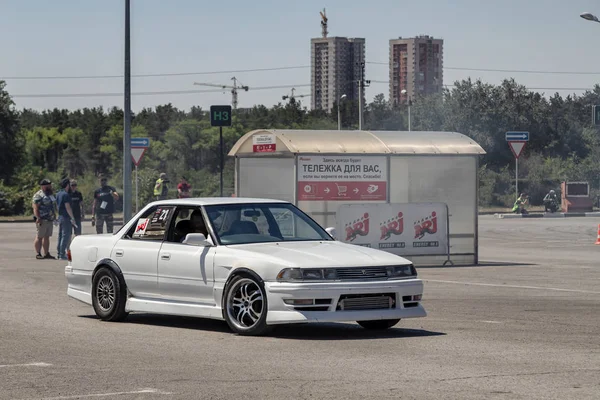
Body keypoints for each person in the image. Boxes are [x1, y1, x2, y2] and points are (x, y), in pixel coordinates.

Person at [32, 179, 57, 260]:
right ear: (43, 186)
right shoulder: (38, 195)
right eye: (48, 185)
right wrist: (38, 217)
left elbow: (53, 205)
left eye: (50, 185)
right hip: (42, 219)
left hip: (50, 219)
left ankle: (46, 253)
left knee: (47, 236)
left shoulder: (50, 194)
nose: (50, 186)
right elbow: (35, 207)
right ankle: (38, 253)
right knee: (39, 236)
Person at [56, 178, 78, 260]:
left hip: (60, 216)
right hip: (66, 217)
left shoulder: (58, 194)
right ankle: (62, 254)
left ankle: (59, 253)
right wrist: (72, 218)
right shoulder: (66, 195)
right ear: (67, 185)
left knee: (60, 235)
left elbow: (57, 206)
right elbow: (68, 207)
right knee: (66, 235)